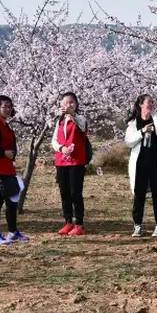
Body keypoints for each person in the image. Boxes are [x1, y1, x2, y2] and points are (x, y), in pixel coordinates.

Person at [125, 94, 157, 237]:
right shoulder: (133, 123)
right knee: (139, 195)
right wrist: (143, 131)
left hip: (156, 162)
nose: (151, 104)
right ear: (141, 104)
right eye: (149, 102)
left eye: (153, 102)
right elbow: (128, 141)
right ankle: (137, 226)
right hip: (140, 163)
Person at [0, 95, 29, 246]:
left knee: (12, 201)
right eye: (4, 106)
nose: (8, 109)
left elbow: (12, 146)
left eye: (10, 106)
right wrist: (4, 153)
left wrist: (12, 155)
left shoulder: (6, 125)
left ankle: (13, 231)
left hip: (7, 168)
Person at [51, 92, 89, 236]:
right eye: (65, 102)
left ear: (76, 104)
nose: (68, 105)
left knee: (75, 192)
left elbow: (83, 127)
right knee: (64, 192)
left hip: (76, 161)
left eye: (72, 102)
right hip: (61, 161)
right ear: (61, 105)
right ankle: (68, 221)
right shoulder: (59, 121)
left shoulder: (80, 119)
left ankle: (79, 223)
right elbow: (54, 140)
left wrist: (72, 114)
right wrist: (61, 148)